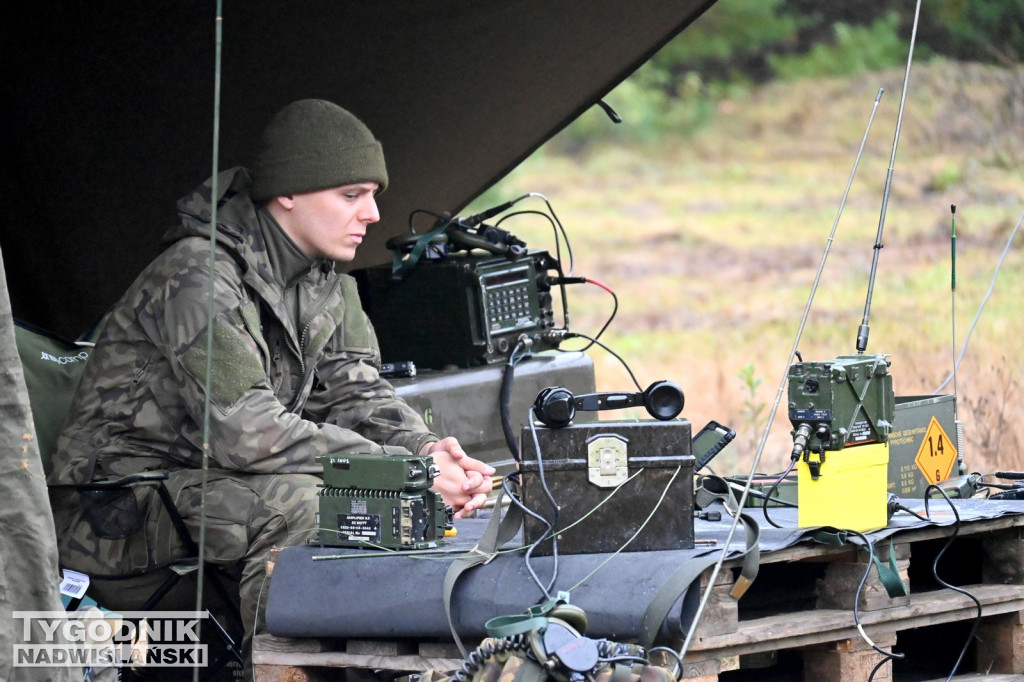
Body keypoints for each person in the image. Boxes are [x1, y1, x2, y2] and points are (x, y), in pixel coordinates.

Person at [47, 99, 495, 666]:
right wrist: (404, 471)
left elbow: (357, 391)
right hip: (117, 505)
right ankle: (278, 671)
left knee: (373, 500)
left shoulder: (325, 281)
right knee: (309, 506)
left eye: (373, 196)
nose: (374, 215)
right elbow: (248, 433)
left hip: (214, 480)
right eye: (352, 195)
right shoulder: (197, 275)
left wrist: (426, 450)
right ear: (289, 192)